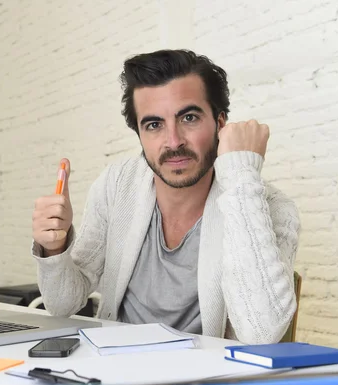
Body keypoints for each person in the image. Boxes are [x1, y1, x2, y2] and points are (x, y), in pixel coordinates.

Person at [31, 49, 300, 344]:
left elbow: (262, 333)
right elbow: (62, 304)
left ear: (220, 124)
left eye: (189, 117)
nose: (173, 142)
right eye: (154, 125)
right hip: (115, 373)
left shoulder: (266, 205)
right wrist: (54, 249)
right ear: (139, 134)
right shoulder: (117, 184)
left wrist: (241, 174)